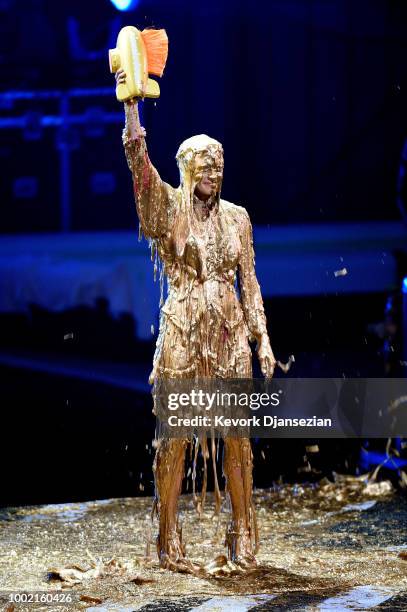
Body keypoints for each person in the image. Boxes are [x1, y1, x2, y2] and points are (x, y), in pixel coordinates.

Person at [116, 68, 277, 571]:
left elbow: (248, 279)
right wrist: (131, 108)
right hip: (184, 326)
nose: (212, 175)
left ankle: (243, 530)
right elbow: (140, 170)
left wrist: (263, 336)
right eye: (203, 168)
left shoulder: (238, 217)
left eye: (218, 167)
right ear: (187, 171)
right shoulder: (168, 211)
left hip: (228, 330)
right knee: (175, 434)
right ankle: (168, 537)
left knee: (237, 435)